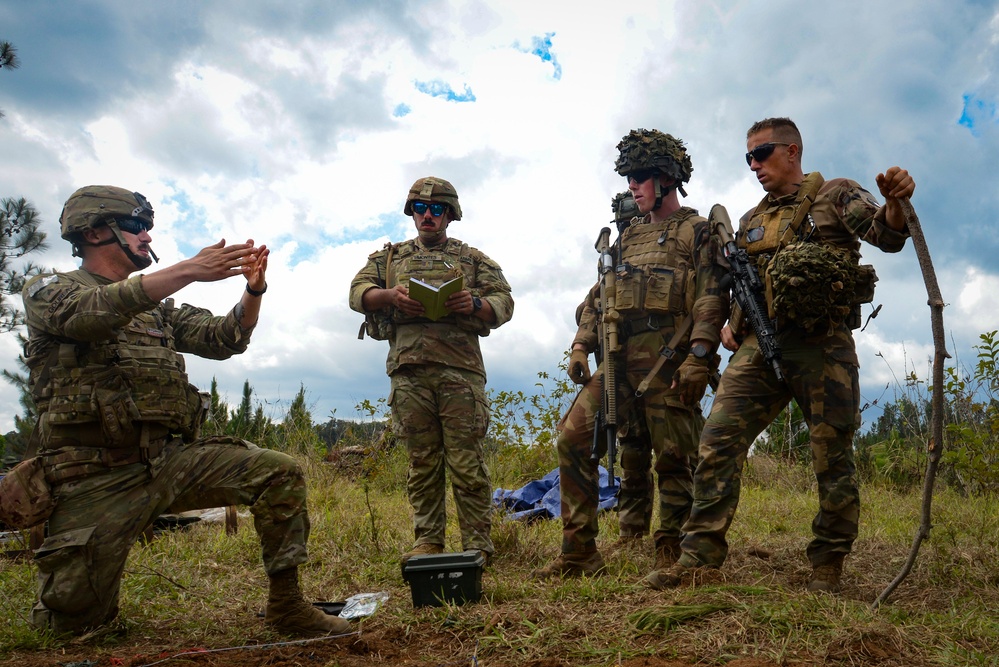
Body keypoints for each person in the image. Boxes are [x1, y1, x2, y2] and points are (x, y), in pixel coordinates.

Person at [21, 185, 349, 637]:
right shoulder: (50, 291)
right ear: (95, 231)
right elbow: (89, 315)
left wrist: (254, 289)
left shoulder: (157, 309)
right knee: (70, 628)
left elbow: (225, 338)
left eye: (149, 228)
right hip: (93, 476)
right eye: (136, 227)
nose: (147, 238)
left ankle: (288, 607)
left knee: (278, 471)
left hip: (170, 462)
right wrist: (190, 269)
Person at [649, 117, 915, 593]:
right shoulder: (751, 220)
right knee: (717, 440)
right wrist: (732, 324)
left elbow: (888, 236)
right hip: (757, 348)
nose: (754, 164)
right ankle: (699, 558)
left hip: (822, 346)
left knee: (831, 453)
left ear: (793, 151)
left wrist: (896, 201)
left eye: (763, 152)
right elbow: (742, 282)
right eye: (747, 157)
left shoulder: (835, 195)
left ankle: (827, 564)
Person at [532, 129, 729, 579]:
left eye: (639, 177)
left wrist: (699, 358)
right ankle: (579, 552)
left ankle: (671, 547)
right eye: (628, 178)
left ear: (666, 179)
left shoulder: (695, 232)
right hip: (619, 360)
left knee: (674, 456)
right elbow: (599, 298)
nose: (631, 187)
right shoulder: (626, 238)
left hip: (669, 358)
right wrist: (582, 346)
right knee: (573, 438)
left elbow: (711, 298)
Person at [349, 177, 513, 565]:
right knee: (422, 462)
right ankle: (428, 541)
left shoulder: (472, 259)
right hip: (409, 374)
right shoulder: (388, 259)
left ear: (450, 215)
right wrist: (390, 296)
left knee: (466, 462)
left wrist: (472, 303)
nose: (427, 216)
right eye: (421, 209)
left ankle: (477, 544)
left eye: (437, 209)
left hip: (461, 373)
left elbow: (504, 302)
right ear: (412, 213)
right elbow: (357, 293)